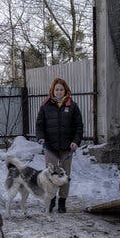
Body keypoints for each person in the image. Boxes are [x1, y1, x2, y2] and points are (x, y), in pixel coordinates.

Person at [35, 77, 83, 213]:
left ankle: (62, 202)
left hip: (67, 147)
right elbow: (39, 125)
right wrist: (41, 138)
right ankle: (50, 201)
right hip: (50, 147)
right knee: (50, 175)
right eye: (57, 89)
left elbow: (79, 126)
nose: (59, 92)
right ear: (53, 90)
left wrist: (76, 141)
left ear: (65, 90)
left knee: (65, 175)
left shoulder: (72, 106)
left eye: (61, 89)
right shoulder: (45, 105)